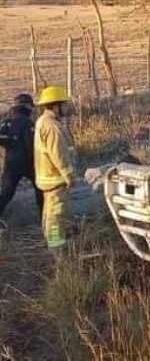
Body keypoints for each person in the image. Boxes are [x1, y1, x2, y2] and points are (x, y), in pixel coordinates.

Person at [33, 86, 76, 255]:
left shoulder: (43, 121)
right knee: (56, 216)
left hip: (47, 178)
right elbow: (59, 155)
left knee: (49, 213)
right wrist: (69, 176)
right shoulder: (52, 126)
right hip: (56, 180)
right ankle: (57, 250)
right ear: (55, 106)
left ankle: (51, 241)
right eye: (64, 104)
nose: (67, 107)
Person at [0, 93, 43, 219]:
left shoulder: (6, 122)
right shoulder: (28, 123)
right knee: (40, 190)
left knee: (6, 193)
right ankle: (43, 217)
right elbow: (31, 145)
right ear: (27, 107)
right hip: (30, 163)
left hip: (11, 164)